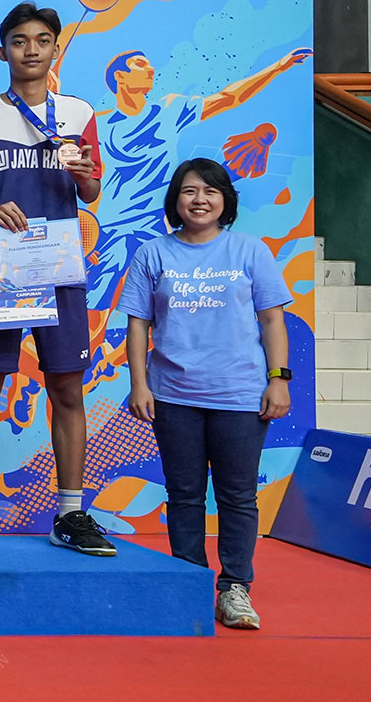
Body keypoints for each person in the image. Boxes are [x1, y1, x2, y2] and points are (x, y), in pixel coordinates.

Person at [0, 2, 112, 555]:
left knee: (66, 387)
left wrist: (85, 176)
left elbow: (90, 189)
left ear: (55, 50)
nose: (31, 50)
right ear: (3, 52)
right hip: (0, 269)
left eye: (42, 40)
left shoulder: (79, 113)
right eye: (20, 41)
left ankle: (71, 513)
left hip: (60, 267)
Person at [119, 158, 292, 630]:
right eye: (190, 191)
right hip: (173, 395)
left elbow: (272, 319)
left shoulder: (249, 250)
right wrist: (140, 384)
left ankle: (235, 589)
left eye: (211, 191)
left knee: (238, 497)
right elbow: (138, 324)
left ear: (225, 200)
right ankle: (190, 583)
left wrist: (279, 378)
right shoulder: (153, 254)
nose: (200, 200)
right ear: (175, 199)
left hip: (240, 395)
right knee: (184, 495)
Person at [88, 46, 309, 320]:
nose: (151, 69)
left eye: (150, 64)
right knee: (95, 304)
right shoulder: (99, 124)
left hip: (154, 225)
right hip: (112, 225)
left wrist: (279, 66)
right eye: (140, 64)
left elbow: (229, 98)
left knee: (164, 305)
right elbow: (76, 168)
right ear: (119, 76)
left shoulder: (169, 109)